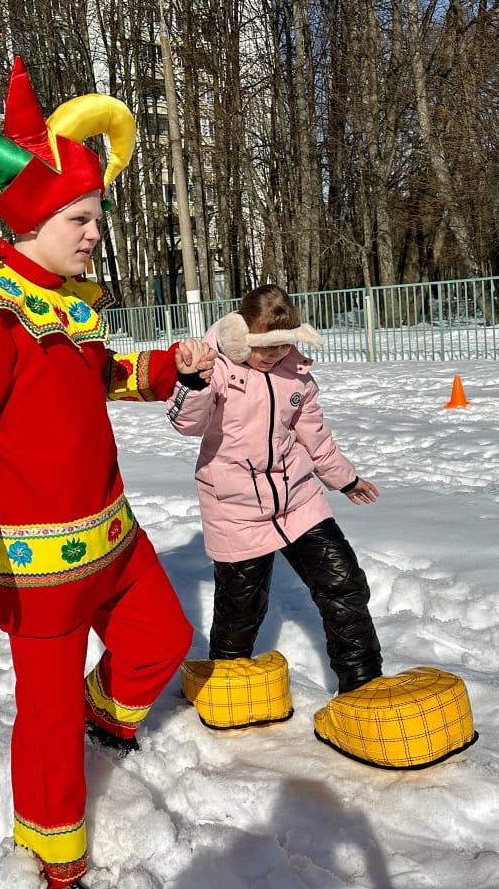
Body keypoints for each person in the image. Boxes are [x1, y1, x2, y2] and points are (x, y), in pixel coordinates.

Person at [0, 57, 208, 889]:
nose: (93, 232)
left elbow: (98, 375)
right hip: (38, 567)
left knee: (162, 641)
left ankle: (100, 722)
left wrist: (167, 366)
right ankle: (54, 857)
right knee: (42, 723)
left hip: (113, 534)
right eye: (80, 216)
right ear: (32, 221)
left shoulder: (67, 307)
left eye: (96, 215)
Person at [166, 285, 384, 697]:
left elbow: (315, 436)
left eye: (283, 345)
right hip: (235, 507)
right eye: (265, 346)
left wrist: (344, 479)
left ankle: (363, 687)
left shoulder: (295, 372)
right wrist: (193, 383)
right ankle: (225, 687)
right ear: (240, 333)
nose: (274, 355)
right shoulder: (217, 368)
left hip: (298, 498)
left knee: (344, 583)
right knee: (241, 608)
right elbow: (186, 425)